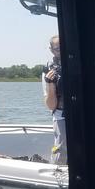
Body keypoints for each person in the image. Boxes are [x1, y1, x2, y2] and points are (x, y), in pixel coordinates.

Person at [43, 35, 66, 164]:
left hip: (82, 114)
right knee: (61, 151)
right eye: (58, 49)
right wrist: (50, 84)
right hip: (61, 115)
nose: (62, 52)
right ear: (51, 50)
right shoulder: (48, 69)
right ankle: (58, 177)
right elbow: (51, 106)